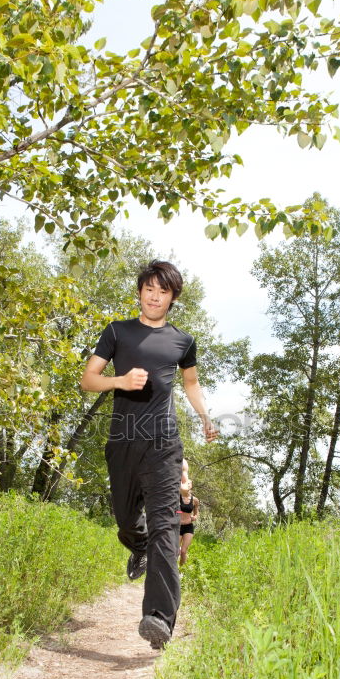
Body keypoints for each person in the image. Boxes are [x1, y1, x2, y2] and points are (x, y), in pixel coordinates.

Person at [79, 260, 217, 650]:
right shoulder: (116, 332)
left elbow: (191, 384)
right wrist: (120, 381)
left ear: (173, 298)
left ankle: (158, 618)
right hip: (123, 440)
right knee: (125, 519)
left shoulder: (183, 341)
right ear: (140, 291)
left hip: (163, 442)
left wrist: (205, 416)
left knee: (165, 527)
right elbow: (88, 379)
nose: (155, 297)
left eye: (163, 291)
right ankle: (137, 546)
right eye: (149, 289)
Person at [178, 458, 200, 566]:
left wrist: (195, 517)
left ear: (191, 486)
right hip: (178, 526)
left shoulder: (195, 500)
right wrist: (179, 513)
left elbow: (196, 512)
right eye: (186, 482)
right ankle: (172, 570)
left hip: (188, 527)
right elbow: (173, 511)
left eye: (189, 483)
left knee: (183, 551)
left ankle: (181, 572)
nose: (188, 484)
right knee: (176, 551)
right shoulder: (177, 498)